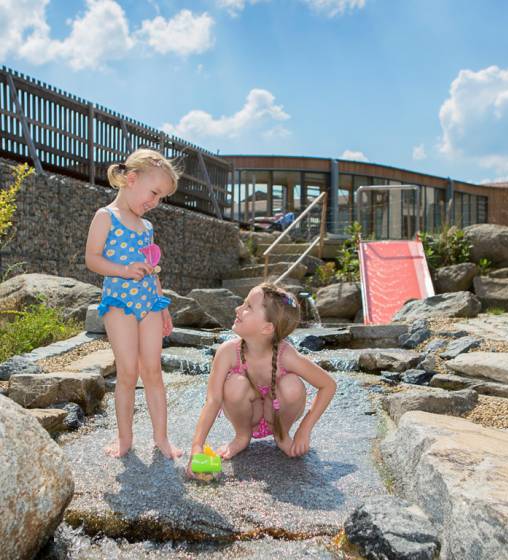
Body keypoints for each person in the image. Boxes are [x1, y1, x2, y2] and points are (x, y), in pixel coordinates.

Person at [85, 148, 182, 459]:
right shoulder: (106, 217)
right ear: (131, 179)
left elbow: (151, 269)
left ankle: (161, 438)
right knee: (127, 371)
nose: (154, 202)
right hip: (119, 303)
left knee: (152, 370)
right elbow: (92, 259)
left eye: (161, 198)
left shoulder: (146, 227)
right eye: (153, 193)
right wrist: (124, 270)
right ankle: (125, 439)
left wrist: (163, 305)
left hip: (150, 303)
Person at [187, 282, 337, 476]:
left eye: (248, 306)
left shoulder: (286, 355)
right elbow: (213, 400)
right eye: (243, 303)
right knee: (235, 385)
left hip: (277, 413)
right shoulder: (227, 352)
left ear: (267, 328)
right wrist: (197, 447)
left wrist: (304, 429)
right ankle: (242, 436)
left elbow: (328, 385)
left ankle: (281, 436)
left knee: (292, 385)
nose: (238, 309)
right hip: (249, 415)